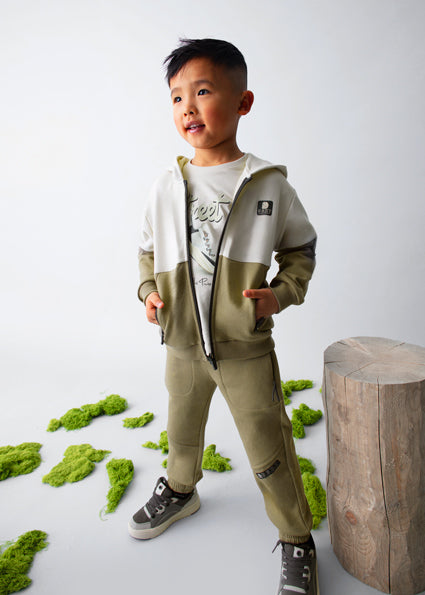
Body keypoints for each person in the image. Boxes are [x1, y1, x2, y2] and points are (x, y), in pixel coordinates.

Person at [129, 38, 318, 595]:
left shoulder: (268, 184)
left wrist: (280, 294)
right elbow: (146, 252)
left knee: (268, 444)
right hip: (182, 343)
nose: (188, 107)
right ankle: (180, 489)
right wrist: (148, 292)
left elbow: (301, 250)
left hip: (244, 348)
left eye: (203, 91)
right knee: (181, 430)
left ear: (243, 102)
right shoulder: (165, 186)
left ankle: (296, 538)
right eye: (177, 97)